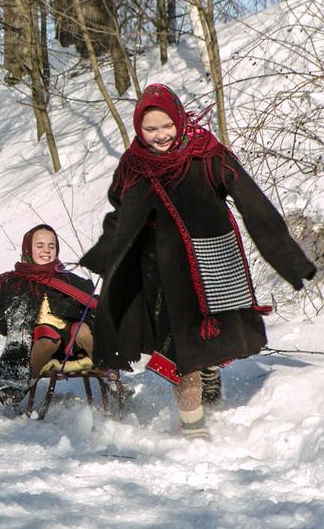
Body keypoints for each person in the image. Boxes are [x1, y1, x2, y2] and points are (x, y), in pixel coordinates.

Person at [80, 84, 316, 439]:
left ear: (177, 119)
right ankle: (193, 427)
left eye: (166, 126)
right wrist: (107, 254)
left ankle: (209, 374)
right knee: (182, 349)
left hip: (209, 264)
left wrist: (287, 256)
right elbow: (121, 208)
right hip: (158, 272)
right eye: (151, 129)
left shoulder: (207, 154)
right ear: (138, 130)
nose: (160, 135)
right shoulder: (133, 165)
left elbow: (253, 202)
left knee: (208, 340)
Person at [0, 224, 97, 410]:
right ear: (28, 248)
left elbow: (93, 305)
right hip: (34, 342)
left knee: (85, 331)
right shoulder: (11, 283)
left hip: (72, 342)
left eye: (51, 246)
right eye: (40, 246)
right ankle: (21, 384)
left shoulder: (69, 280)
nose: (46, 250)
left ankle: (110, 372)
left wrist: (74, 309)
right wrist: (7, 321)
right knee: (48, 339)